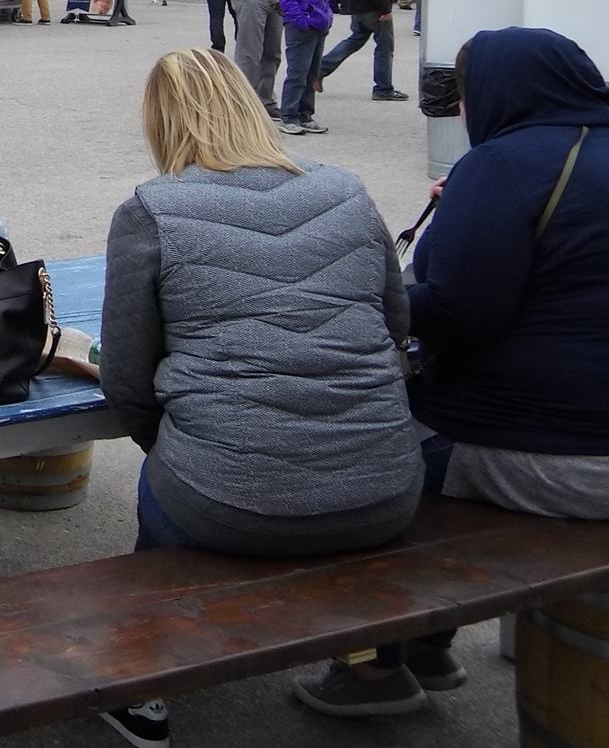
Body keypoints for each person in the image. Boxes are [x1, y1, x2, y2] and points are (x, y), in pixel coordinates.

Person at [296, 27, 609, 715]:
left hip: (576, 461)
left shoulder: (504, 164)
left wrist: (363, 293)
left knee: (370, 448)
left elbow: (455, 310)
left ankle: (375, 666)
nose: (461, 110)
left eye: (466, 94)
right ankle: (431, 642)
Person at [100, 47, 424, 746]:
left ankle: (146, 684)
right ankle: (376, 665)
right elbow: (394, 328)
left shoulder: (153, 209)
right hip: (385, 490)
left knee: (160, 504)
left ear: (163, 122)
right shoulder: (348, 190)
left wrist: (188, 440)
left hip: (227, 500)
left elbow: (125, 378)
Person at [277, 0, 333, 136]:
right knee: (297, 72)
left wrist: (326, 16)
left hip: (319, 26)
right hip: (302, 27)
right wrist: (303, 21)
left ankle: (305, 113)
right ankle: (289, 115)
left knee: (311, 73)